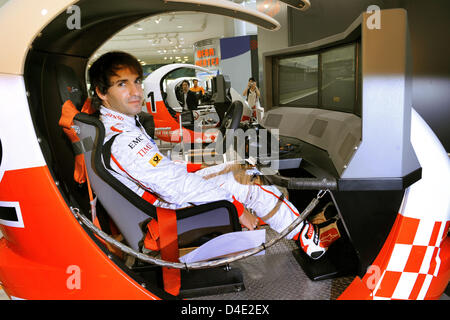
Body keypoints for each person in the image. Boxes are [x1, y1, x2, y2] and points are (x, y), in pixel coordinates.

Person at [88, 51, 340, 260]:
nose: (136, 91)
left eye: (137, 81)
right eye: (122, 84)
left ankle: (296, 223)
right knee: (249, 182)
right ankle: (310, 240)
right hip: (169, 212)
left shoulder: (124, 125)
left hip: (163, 200)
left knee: (237, 167)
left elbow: (161, 171)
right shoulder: (123, 140)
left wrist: (198, 166)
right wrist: (238, 208)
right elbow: (176, 187)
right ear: (101, 92)